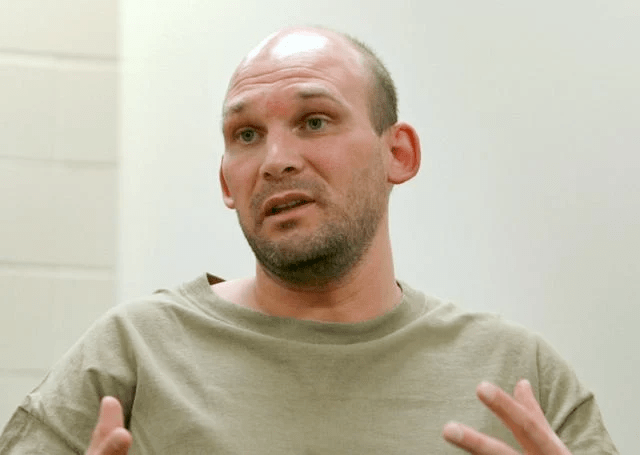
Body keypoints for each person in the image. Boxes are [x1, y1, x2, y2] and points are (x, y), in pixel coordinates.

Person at [0, 27, 618, 455]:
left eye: (314, 121)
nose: (276, 160)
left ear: (398, 153)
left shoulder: (517, 375)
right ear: (227, 183)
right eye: (246, 135)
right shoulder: (133, 354)